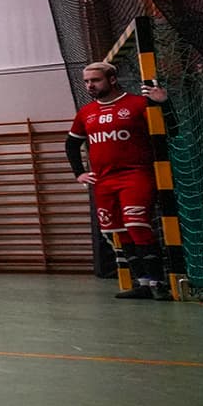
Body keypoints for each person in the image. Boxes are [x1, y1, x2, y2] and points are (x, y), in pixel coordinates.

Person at [67, 61, 171, 299]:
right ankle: (142, 283)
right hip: (104, 180)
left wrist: (164, 104)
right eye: (86, 81)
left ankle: (159, 283)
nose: (90, 85)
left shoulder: (137, 104)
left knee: (136, 224)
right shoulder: (86, 113)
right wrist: (79, 172)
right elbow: (72, 144)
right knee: (119, 231)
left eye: (95, 80)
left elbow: (170, 129)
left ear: (112, 79)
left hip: (135, 174)